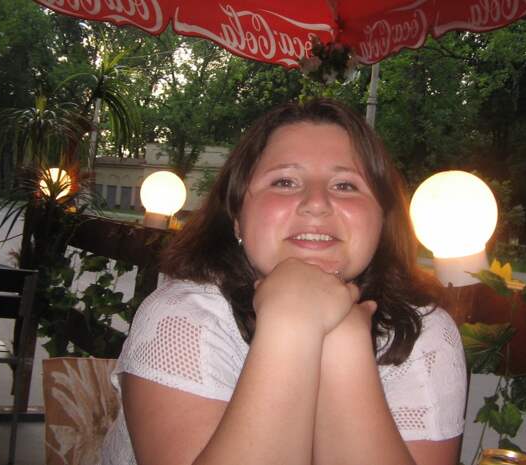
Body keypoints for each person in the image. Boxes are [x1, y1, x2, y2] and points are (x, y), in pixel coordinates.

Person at [100, 98, 467, 465]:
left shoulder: (423, 333)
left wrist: (345, 347)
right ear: (238, 218)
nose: (316, 203)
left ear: (382, 220)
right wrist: (292, 323)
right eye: (285, 181)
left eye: (345, 185)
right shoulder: (179, 318)